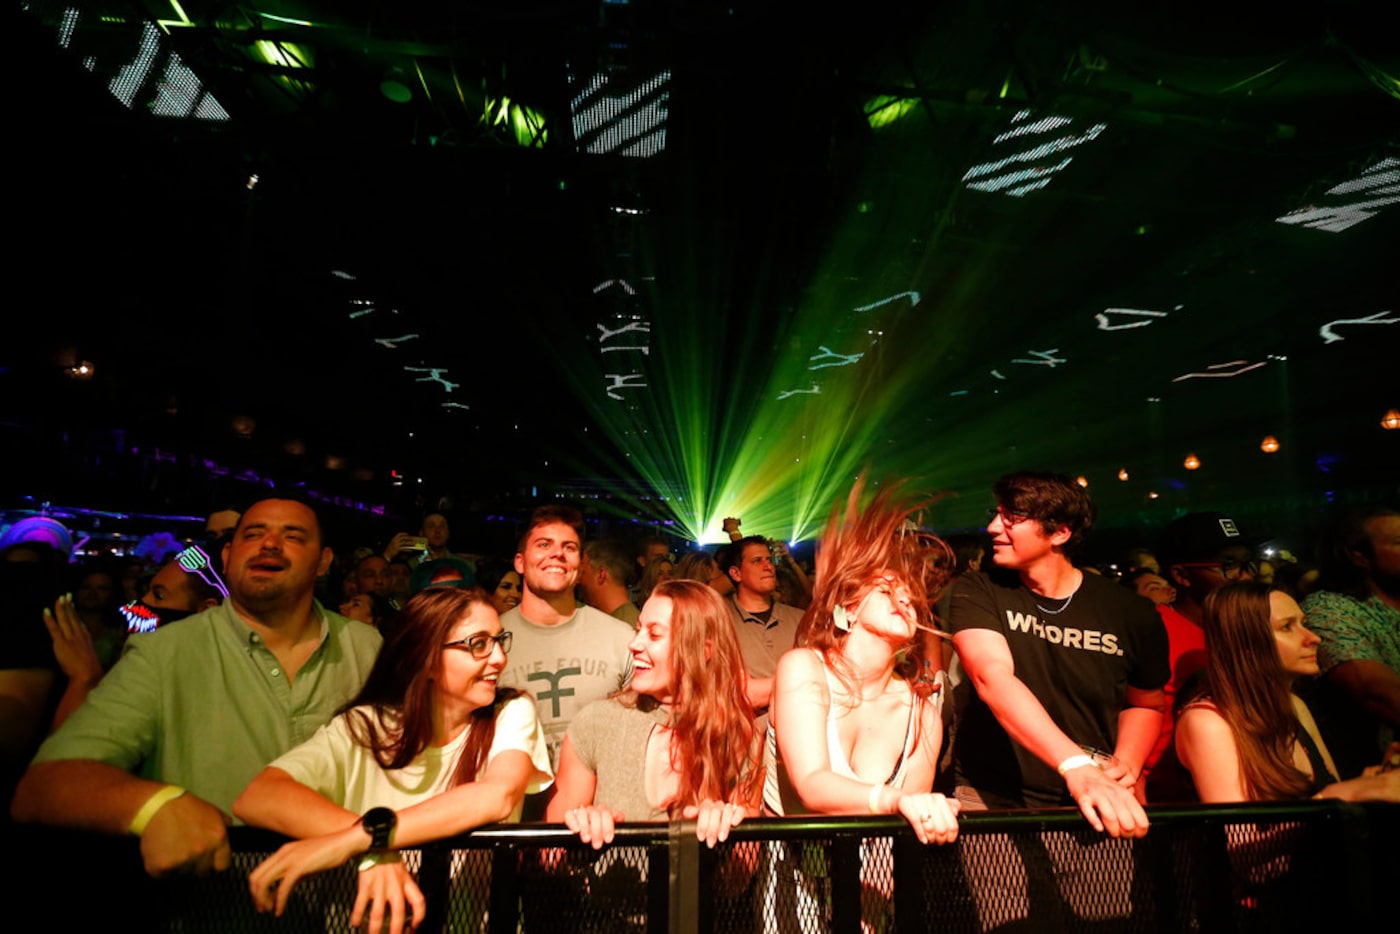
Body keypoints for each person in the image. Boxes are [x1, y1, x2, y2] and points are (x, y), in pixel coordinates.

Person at [11, 497, 382, 877]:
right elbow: (46, 783)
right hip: (216, 908)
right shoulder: (164, 654)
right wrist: (155, 805)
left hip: (354, 903)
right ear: (227, 555)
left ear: (323, 561)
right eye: (253, 534)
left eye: (293, 536)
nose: (269, 544)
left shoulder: (367, 647)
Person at [233, 587, 551, 934]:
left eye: (499, 640)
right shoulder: (365, 726)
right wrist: (376, 853)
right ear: (425, 658)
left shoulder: (510, 712)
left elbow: (496, 796)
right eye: (478, 644)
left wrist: (362, 838)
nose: (499, 658)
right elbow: (259, 796)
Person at [948, 471, 1167, 836]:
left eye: (1011, 518)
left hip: (1095, 796)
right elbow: (992, 676)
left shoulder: (1131, 612)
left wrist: (1126, 764)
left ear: (1060, 533)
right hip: (993, 792)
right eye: (996, 513)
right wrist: (1074, 765)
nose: (991, 528)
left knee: (1100, 896)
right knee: (1003, 896)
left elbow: (1146, 703)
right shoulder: (980, 589)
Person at [766, 481, 958, 841]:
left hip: (877, 885)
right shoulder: (804, 669)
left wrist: (932, 818)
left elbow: (909, 827)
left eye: (910, 596)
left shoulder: (923, 719)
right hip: (795, 885)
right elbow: (812, 784)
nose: (903, 600)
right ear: (848, 610)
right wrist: (894, 800)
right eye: (886, 590)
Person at [548, 579, 762, 848]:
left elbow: (741, 876)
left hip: (699, 890)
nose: (634, 644)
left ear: (703, 650)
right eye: (638, 630)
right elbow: (549, 854)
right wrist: (581, 826)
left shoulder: (736, 733)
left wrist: (729, 832)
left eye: (655, 634)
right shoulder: (596, 722)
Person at [1174, 582, 1399, 803]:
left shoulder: (1294, 704)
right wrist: (1345, 794)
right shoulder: (1207, 723)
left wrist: (1375, 783)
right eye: (1287, 627)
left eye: (1304, 623)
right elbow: (1240, 835)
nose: (1313, 638)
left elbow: (1329, 801)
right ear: (1246, 644)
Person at [498, 505, 635, 770]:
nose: (557, 553)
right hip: (515, 801)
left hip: (599, 803)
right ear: (519, 562)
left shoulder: (621, 639)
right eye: (544, 544)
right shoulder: (491, 642)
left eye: (569, 547)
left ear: (581, 567)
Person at [726, 536, 804, 726]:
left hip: (797, 732)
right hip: (742, 739)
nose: (767, 566)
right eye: (757, 561)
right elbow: (737, 694)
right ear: (736, 573)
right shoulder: (720, 620)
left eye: (769, 560)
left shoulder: (799, 619)